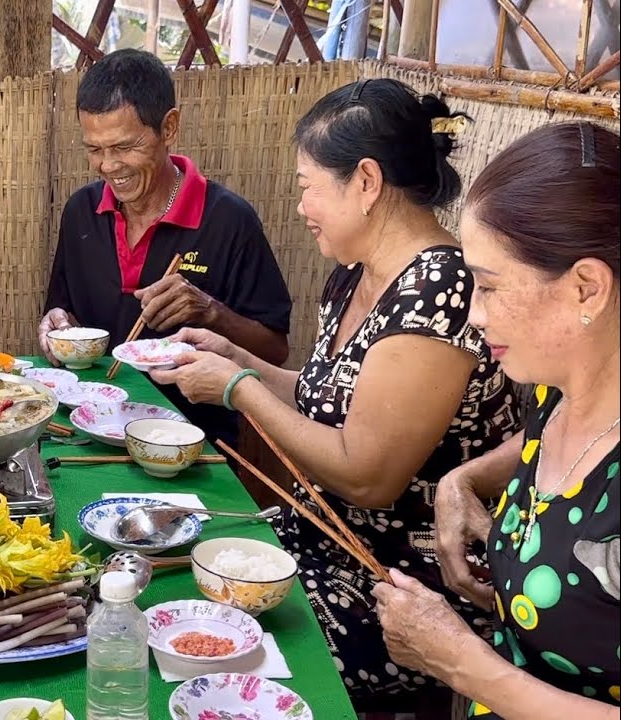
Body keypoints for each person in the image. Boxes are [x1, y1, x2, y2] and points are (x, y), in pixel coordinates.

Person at [150, 78, 522, 710]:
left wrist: (237, 388)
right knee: (167, 582)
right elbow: (326, 400)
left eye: (307, 185)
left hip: (393, 585)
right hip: (314, 537)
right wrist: (236, 358)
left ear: (367, 182)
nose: (301, 206)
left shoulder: (440, 290)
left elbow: (368, 476)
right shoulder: (355, 277)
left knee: (205, 669)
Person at [373, 123, 620, 719]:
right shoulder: (557, 393)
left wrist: (459, 662)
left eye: (487, 287)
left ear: (586, 288)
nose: (475, 316)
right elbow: (558, 448)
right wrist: (463, 482)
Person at [39, 48, 292, 448]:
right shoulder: (81, 212)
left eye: (124, 147)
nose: (108, 166)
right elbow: (63, 311)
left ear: (169, 128)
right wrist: (56, 325)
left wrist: (212, 312)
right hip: (88, 430)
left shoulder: (228, 220)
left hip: (192, 444)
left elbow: (276, 351)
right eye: (94, 149)